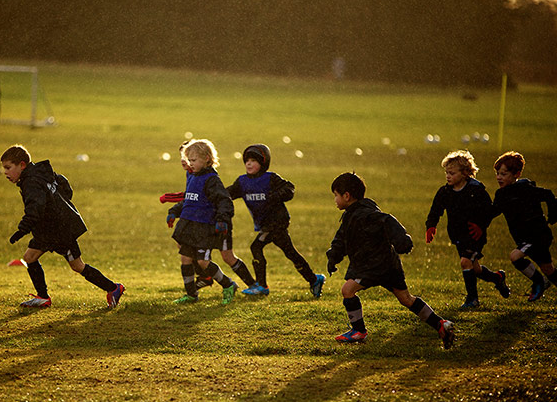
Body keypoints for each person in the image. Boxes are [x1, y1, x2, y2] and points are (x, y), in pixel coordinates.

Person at [327, 172, 455, 349]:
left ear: (346, 196)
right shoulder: (355, 214)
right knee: (406, 298)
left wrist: (402, 240)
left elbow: (387, 220)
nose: (335, 199)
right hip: (389, 265)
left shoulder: (363, 214)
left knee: (347, 290)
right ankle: (440, 324)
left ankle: (358, 331)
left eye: (336, 195)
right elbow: (341, 239)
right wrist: (333, 257)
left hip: (372, 266)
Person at [1, 145, 125, 309]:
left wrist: (22, 230)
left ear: (22, 165)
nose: (5, 172)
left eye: (8, 167)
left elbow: (35, 207)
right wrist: (60, 202)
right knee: (30, 258)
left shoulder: (31, 181)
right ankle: (43, 297)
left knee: (77, 266)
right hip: (48, 229)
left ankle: (114, 288)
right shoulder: (41, 172)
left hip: (61, 230)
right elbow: (64, 184)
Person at [227, 144, 325, 297]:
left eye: (254, 160)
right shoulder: (242, 182)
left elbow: (289, 188)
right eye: (247, 160)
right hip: (265, 224)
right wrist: (212, 196)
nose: (249, 163)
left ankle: (262, 286)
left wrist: (277, 195)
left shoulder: (270, 178)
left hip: (277, 222)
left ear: (263, 163)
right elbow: (229, 193)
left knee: (256, 247)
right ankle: (314, 279)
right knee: (290, 252)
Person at [161, 141, 256, 292]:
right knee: (185, 257)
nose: (189, 163)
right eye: (188, 160)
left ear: (206, 158)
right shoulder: (193, 177)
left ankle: (241, 285)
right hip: (192, 224)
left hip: (208, 225)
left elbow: (224, 201)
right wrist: (173, 211)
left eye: (192, 160)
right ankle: (192, 294)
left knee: (220, 258)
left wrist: (222, 220)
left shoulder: (211, 180)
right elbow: (190, 200)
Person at [425, 150, 509, 308]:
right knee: (474, 268)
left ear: (464, 173)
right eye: (446, 173)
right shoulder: (445, 192)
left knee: (465, 262)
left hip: (474, 235)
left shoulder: (476, 190)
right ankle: (497, 278)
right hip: (458, 235)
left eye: (452, 173)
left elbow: (488, 211)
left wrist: (480, 226)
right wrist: (431, 226)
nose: (448, 176)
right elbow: (435, 210)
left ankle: (472, 299)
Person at [492, 151, 557, 301]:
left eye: (503, 174)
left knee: (515, 256)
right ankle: (542, 281)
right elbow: (493, 211)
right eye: (497, 173)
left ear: (517, 174)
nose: (499, 177)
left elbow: (547, 194)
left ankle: (538, 282)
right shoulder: (501, 195)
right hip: (524, 238)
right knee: (548, 269)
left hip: (537, 236)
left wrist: (553, 214)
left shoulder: (525, 189)